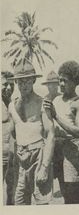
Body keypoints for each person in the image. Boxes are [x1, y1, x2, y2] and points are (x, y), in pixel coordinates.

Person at [8, 61, 55, 205]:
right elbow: (12, 135)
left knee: (42, 203)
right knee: (20, 202)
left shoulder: (42, 103)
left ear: (33, 80)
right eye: (20, 81)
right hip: (21, 159)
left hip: (38, 157)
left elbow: (51, 134)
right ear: (16, 82)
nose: (23, 85)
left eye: (27, 80)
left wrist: (45, 167)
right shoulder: (12, 106)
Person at [43, 61, 79, 204]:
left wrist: (56, 116)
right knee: (64, 192)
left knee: (75, 192)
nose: (61, 84)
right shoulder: (56, 99)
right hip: (58, 150)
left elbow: (78, 131)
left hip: (73, 150)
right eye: (60, 80)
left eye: (65, 81)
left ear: (75, 82)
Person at [2, 71, 16, 205]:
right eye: (5, 84)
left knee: (11, 192)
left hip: (12, 158)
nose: (9, 88)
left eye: (12, 84)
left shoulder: (14, 105)